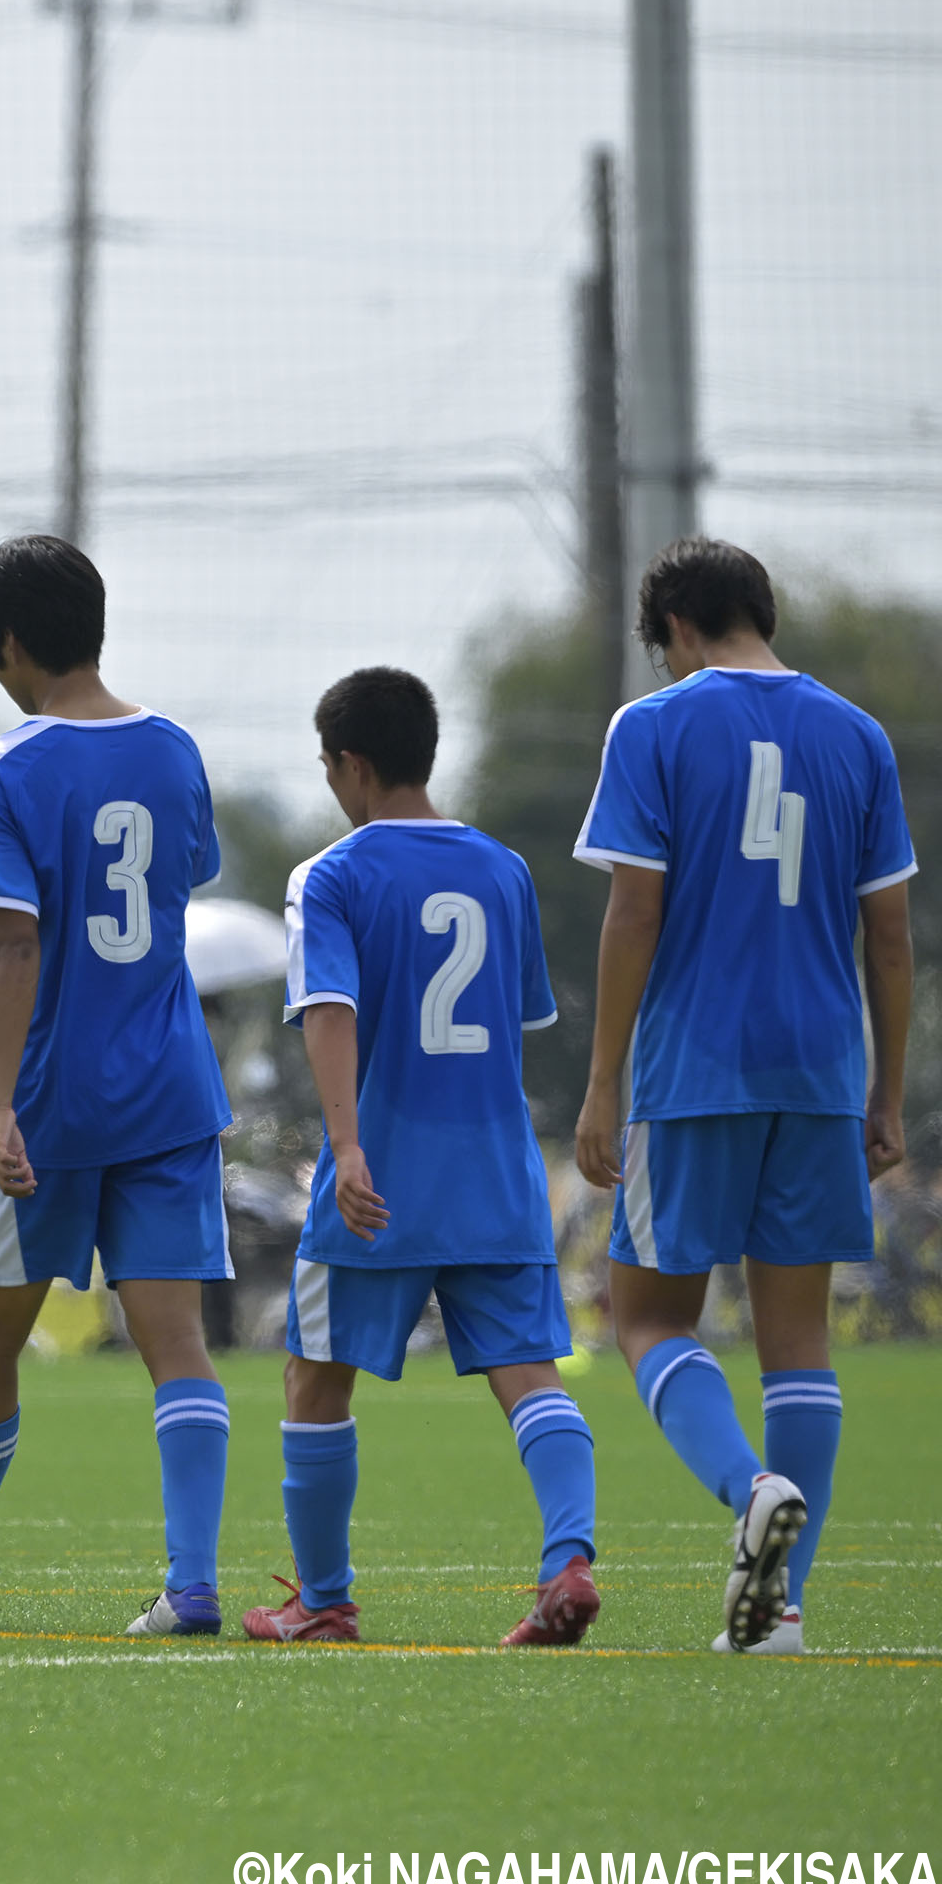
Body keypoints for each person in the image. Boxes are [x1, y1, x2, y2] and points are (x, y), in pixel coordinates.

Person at [0, 536, 234, 1636]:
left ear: (10, 645)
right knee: (178, 1345)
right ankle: (193, 1584)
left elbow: (13, 944)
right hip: (170, 1089)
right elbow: (182, 882)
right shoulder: (174, 751)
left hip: (56, 1100)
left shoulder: (4, 768)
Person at [573, 538, 914, 1656]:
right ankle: (784, 1615)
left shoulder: (654, 726)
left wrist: (601, 1080)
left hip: (694, 1068)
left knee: (650, 1317)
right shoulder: (857, 736)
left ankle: (747, 1487)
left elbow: (632, 915)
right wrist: (885, 1092)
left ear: (673, 626)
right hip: (819, 1070)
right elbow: (892, 941)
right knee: (798, 1340)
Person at [254, 666, 597, 1647]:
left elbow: (330, 1008)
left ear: (351, 765)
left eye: (327, 768)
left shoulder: (332, 875)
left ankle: (321, 1603)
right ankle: (566, 1562)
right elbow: (514, 1020)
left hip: (383, 1177)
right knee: (531, 1376)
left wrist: (347, 1143)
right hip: (495, 1173)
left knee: (314, 1378)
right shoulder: (502, 870)